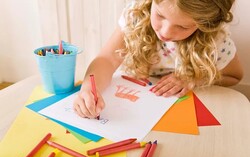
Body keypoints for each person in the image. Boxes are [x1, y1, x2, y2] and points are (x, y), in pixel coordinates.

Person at [74, 0, 243, 119]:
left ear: (205, 24)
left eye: (183, 26)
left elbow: (235, 76)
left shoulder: (216, 39)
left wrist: (193, 78)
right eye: (160, 15)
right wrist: (89, 87)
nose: (166, 32)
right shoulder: (136, 16)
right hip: (133, 103)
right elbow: (107, 59)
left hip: (177, 112)